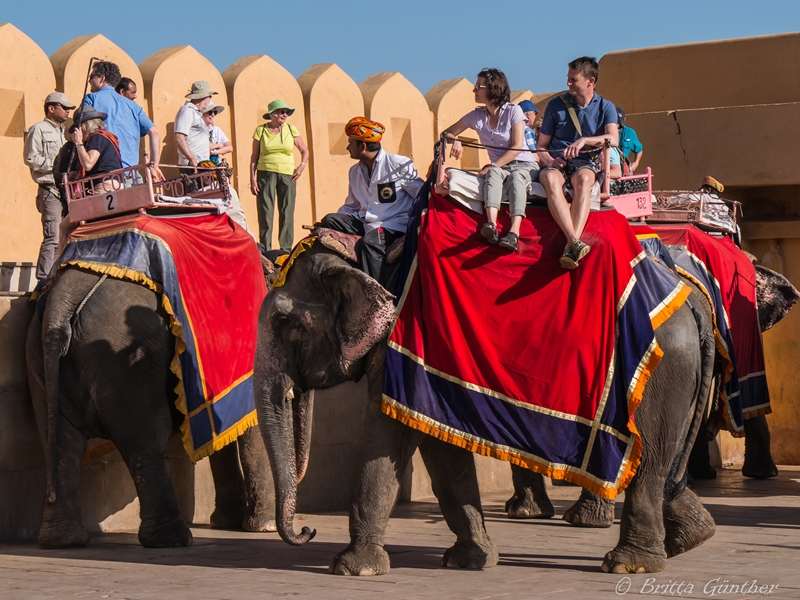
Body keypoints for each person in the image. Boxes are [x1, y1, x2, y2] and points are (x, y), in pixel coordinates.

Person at [319, 117, 424, 288]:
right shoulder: (354, 171)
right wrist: (335, 220)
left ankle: (377, 292)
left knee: (369, 243)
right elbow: (351, 205)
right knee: (330, 219)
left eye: (350, 143)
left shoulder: (398, 165)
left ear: (363, 146)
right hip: (365, 221)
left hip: (392, 224)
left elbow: (419, 193)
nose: (347, 148)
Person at [442, 69, 539, 252]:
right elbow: (446, 133)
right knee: (493, 173)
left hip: (524, 164)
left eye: (479, 86)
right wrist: (455, 139)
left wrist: (494, 165)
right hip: (501, 166)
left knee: (515, 177)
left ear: (493, 89)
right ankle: (491, 225)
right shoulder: (476, 116)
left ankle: (514, 233)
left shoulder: (513, 111)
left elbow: (517, 146)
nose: (474, 90)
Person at [538, 56, 618, 269]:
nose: (568, 83)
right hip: (558, 162)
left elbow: (613, 138)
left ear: (590, 81)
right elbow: (541, 147)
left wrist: (585, 141)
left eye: (573, 79)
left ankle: (569, 245)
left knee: (584, 180)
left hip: (585, 163)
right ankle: (573, 241)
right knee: (548, 178)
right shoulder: (555, 106)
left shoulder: (606, 107)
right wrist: (549, 161)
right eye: (568, 78)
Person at [23, 91, 76, 281]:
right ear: (51, 108)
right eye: (64, 107)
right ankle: (43, 283)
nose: (68, 111)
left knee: (64, 239)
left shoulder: (65, 133)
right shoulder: (37, 129)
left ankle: (56, 280)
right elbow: (31, 158)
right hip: (49, 189)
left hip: (66, 192)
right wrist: (56, 167)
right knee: (52, 238)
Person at [82, 61, 161, 178]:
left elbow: (83, 131)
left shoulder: (91, 99)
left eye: (92, 77)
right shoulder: (133, 106)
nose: (89, 81)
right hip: (132, 173)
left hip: (107, 176)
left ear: (102, 79)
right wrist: (154, 166)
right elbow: (154, 133)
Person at [249, 99, 309, 251]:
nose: (285, 115)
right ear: (273, 114)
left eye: (287, 112)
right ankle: (266, 249)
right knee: (265, 212)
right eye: (282, 112)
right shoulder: (260, 130)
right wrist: (252, 179)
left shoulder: (291, 129)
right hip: (265, 172)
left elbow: (304, 150)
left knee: (287, 212)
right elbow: (254, 156)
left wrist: (301, 167)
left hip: (288, 174)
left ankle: (286, 249)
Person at [201, 102, 253, 238]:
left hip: (216, 171)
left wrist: (213, 148)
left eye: (215, 112)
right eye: (210, 112)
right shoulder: (198, 130)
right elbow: (200, 148)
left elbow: (229, 147)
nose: (212, 115)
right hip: (202, 173)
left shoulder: (216, 130)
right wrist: (214, 147)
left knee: (229, 201)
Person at [69, 106, 122, 188]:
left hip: (104, 186)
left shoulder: (97, 137)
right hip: (113, 184)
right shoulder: (104, 137)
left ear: (84, 127)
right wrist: (76, 174)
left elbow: (88, 164)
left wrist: (78, 142)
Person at [175, 80, 217, 173]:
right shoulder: (187, 111)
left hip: (201, 164)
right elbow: (179, 137)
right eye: (210, 96)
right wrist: (192, 159)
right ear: (204, 97)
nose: (210, 99)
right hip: (192, 166)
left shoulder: (196, 113)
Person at [617, 107, 643, 173]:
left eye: (619, 124)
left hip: (625, 170)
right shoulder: (604, 132)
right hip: (609, 169)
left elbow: (639, 149)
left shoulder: (630, 133)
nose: (617, 126)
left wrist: (636, 162)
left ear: (624, 119)